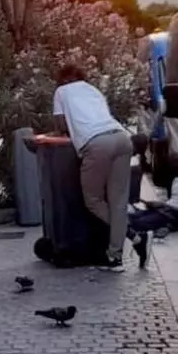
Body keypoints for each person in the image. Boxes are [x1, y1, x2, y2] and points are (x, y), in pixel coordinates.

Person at [52, 64, 136, 272]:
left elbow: (61, 125)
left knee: (93, 200)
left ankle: (134, 235)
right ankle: (115, 258)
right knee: (118, 202)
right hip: (122, 138)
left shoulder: (61, 91)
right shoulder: (94, 90)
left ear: (63, 79)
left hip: (97, 144)